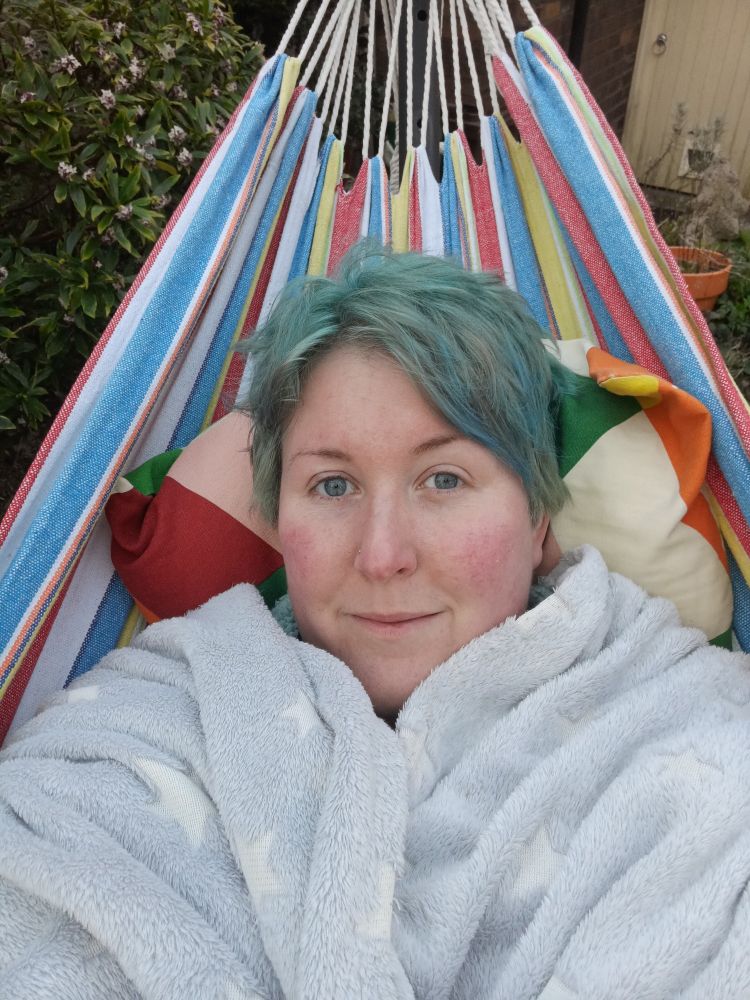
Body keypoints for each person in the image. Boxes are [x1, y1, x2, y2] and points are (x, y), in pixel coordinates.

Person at [1, 245, 749, 999]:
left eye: (445, 478)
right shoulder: (143, 725)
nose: (382, 554)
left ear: (537, 521)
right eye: (332, 485)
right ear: (280, 517)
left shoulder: (700, 741)